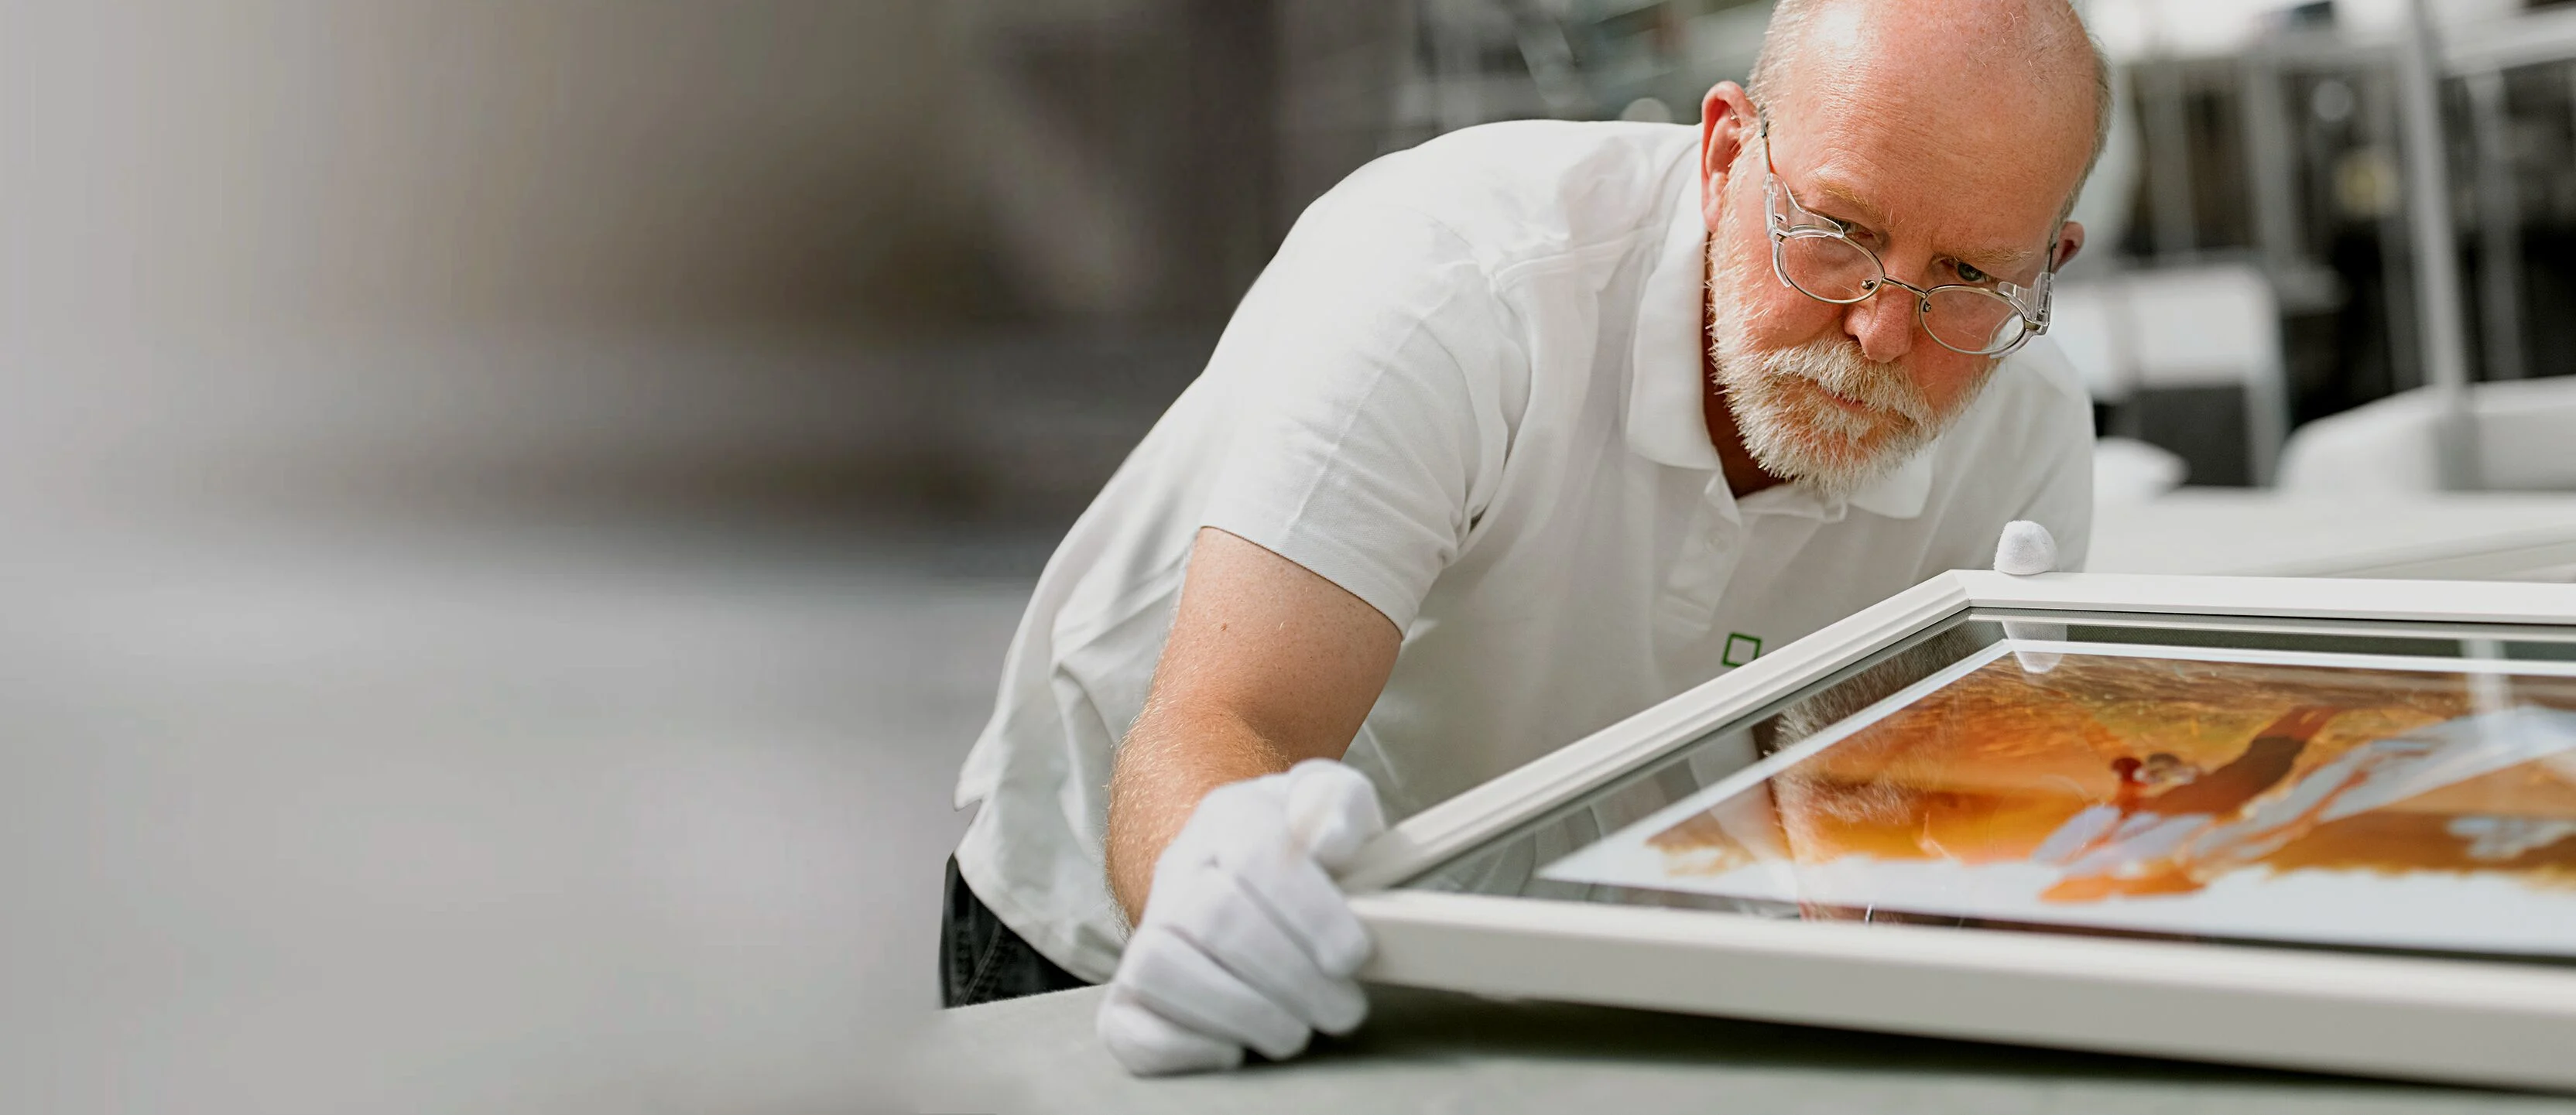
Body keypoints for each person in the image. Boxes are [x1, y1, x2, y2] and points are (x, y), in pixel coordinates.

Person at [943, 0, 2114, 1076]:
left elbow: (1884, 842)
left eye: (1967, 275)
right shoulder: (1457, 289)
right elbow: (1226, 719)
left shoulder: (2026, 428)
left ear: (2048, 266)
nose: (1875, 328)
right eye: (1839, 230)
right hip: (1135, 937)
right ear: (1722, 156)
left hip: (1559, 978)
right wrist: (1209, 882)